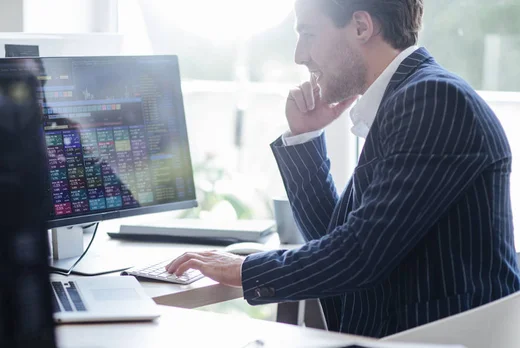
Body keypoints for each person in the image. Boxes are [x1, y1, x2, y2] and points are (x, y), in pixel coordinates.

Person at [166, 0, 520, 338]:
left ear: (361, 26)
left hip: (433, 338)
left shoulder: (434, 100)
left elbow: (359, 255)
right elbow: (336, 239)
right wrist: (305, 137)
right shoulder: (408, 99)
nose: (299, 55)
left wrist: (243, 270)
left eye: (308, 34)